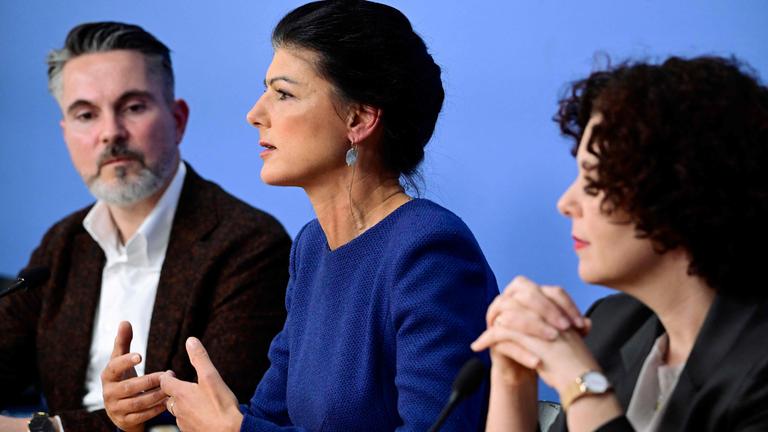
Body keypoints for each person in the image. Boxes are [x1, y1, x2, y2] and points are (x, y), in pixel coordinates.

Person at [157, 1, 498, 431]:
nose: (255, 114)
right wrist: (155, 410)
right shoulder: (312, 247)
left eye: (283, 94)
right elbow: (266, 418)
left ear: (358, 119)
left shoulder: (430, 251)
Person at [0, 22, 291, 432]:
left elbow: (208, 412)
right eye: (86, 115)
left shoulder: (250, 244)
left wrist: (48, 429)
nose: (110, 133)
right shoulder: (62, 243)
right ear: (66, 134)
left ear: (178, 120)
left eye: (133, 107)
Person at [472, 55, 768, 431]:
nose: (565, 203)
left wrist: (582, 381)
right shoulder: (609, 326)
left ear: (682, 186)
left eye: (594, 179)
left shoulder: (758, 369)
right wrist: (512, 378)